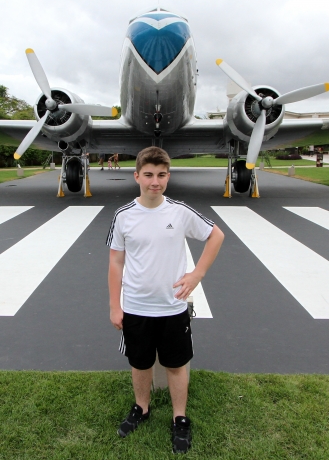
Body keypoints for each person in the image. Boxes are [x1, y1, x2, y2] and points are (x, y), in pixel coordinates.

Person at [107, 146, 224, 454]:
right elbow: (115, 262)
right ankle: (141, 408)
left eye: (161, 175)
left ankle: (179, 417)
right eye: (148, 175)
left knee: (176, 365)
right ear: (136, 176)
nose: (154, 182)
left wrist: (196, 274)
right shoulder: (122, 216)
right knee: (140, 363)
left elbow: (216, 236)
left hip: (172, 306)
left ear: (168, 177)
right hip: (135, 307)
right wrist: (114, 305)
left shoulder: (179, 211)